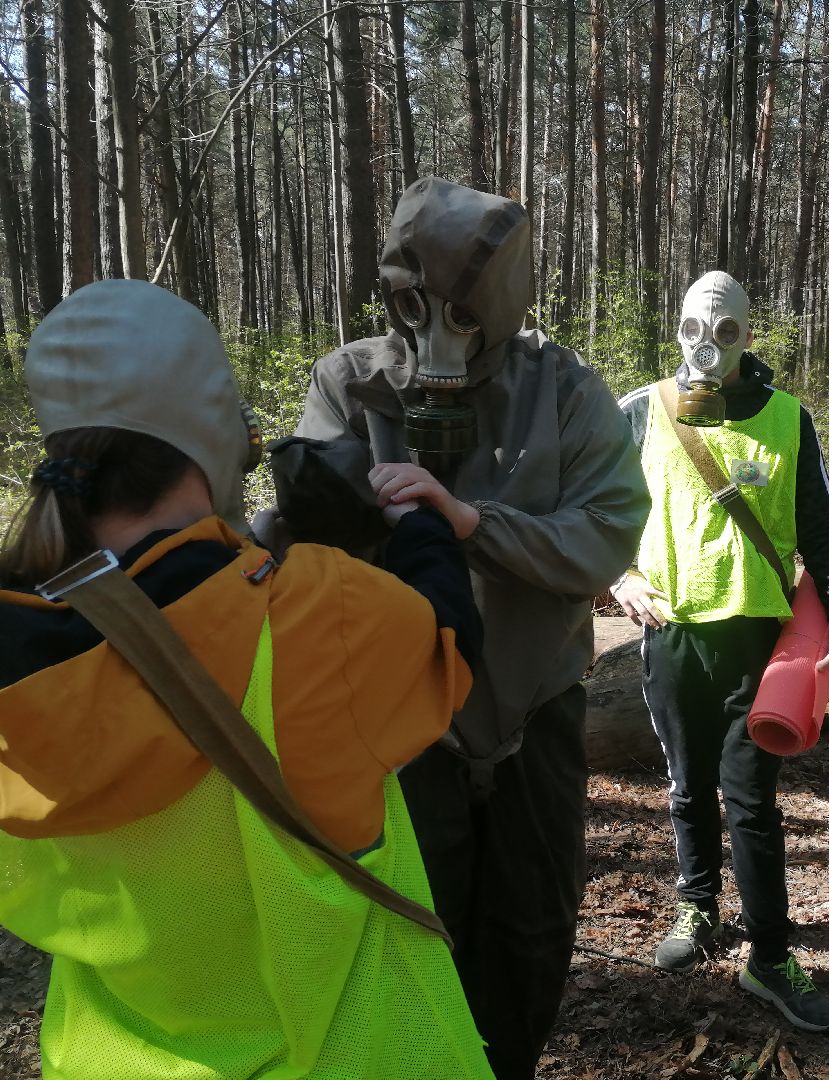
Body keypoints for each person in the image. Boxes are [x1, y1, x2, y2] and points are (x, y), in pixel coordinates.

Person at [0, 279, 492, 1078]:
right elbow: (447, 639)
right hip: (347, 1051)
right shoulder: (314, 611)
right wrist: (423, 526)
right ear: (212, 425)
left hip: (106, 1058)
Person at [292, 177, 649, 1080]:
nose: (438, 327)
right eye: (419, 304)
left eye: (457, 306)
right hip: (400, 732)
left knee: (531, 939)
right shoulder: (352, 388)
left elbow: (606, 536)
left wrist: (472, 522)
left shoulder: (564, 390)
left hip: (536, 720)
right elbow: (308, 559)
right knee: (411, 932)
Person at [612, 271, 829, 1032]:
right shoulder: (641, 411)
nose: (707, 348)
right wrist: (617, 575)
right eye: (693, 329)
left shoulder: (789, 419)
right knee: (687, 785)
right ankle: (696, 906)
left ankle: (771, 955)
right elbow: (598, 507)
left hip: (759, 638)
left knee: (751, 800)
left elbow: (821, 530)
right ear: (676, 327)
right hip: (672, 631)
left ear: (748, 336)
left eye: (725, 333)